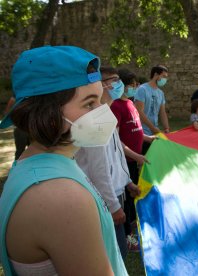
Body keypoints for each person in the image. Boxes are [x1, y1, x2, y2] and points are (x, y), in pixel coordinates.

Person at [0, 46, 127, 275]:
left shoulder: (39, 164)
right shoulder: (60, 196)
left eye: (99, 99)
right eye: (89, 103)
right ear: (48, 112)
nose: (102, 111)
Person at [74, 66, 140, 259]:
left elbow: (115, 154)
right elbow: (98, 168)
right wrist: (113, 206)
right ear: (100, 85)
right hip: (102, 199)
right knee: (114, 254)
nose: (119, 84)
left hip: (115, 193)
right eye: (114, 80)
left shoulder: (107, 113)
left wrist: (127, 181)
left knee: (118, 252)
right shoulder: (93, 120)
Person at [112, 68, 156, 249]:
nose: (135, 88)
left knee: (135, 194)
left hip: (134, 160)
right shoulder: (115, 106)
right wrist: (136, 155)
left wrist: (149, 139)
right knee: (127, 200)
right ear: (121, 85)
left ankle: (133, 228)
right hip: (124, 162)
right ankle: (128, 237)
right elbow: (115, 141)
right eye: (132, 85)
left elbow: (136, 131)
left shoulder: (130, 104)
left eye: (136, 84)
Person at [134, 65, 170, 154]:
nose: (165, 79)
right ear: (156, 75)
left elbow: (162, 112)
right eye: (164, 76)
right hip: (143, 133)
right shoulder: (142, 89)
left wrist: (166, 128)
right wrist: (153, 128)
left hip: (155, 133)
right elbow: (139, 112)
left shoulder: (160, 93)